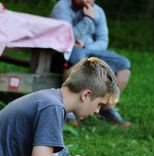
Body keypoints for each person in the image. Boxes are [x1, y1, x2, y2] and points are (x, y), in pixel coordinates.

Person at [50, 0, 132, 128]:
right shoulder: (62, 7)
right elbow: (66, 36)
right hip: (66, 49)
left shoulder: (98, 11)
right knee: (77, 54)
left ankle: (107, 109)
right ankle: (67, 110)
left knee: (123, 64)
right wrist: (88, 19)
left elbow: (103, 41)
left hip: (91, 49)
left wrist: (86, 46)